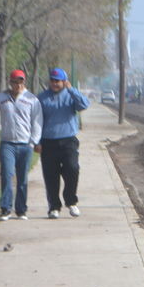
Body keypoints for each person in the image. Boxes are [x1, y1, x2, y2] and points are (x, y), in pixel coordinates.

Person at [0, 69, 43, 221]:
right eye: (14, 81)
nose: (17, 85)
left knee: (22, 179)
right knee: (7, 175)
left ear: (24, 82)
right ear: (10, 82)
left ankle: (21, 210)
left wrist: (33, 142)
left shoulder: (31, 99)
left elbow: (37, 122)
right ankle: (6, 209)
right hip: (7, 143)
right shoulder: (2, 98)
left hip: (25, 144)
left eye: (20, 81)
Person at [36, 67, 90, 218]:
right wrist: (37, 141)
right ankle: (54, 207)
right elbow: (36, 121)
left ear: (64, 81)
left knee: (72, 169)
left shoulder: (71, 96)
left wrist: (71, 90)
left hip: (68, 141)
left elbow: (84, 105)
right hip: (48, 142)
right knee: (51, 176)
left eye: (58, 81)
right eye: (52, 80)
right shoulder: (42, 98)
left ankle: (71, 201)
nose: (54, 84)